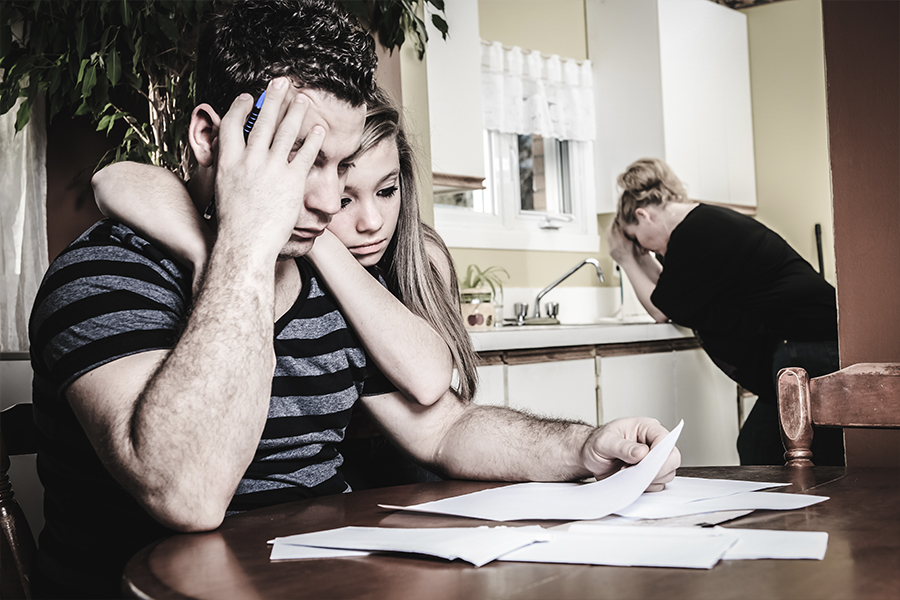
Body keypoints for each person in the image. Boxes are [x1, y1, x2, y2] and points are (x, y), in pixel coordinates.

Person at [28, 2, 679, 598]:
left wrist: (585, 448)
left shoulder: (319, 279)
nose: (325, 200)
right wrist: (243, 245)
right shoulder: (107, 275)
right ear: (208, 137)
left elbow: (445, 426)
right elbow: (188, 495)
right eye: (298, 158)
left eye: (338, 165)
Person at [93, 86, 479, 489]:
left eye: (386, 191)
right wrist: (214, 250)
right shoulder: (284, 257)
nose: (371, 222)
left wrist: (319, 242)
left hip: (404, 467)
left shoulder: (418, 255)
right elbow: (111, 178)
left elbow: (431, 384)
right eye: (346, 200)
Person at [608, 157, 843, 467]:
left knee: (764, 448)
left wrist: (625, 258)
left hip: (810, 345)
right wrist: (634, 254)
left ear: (643, 215)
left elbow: (660, 309)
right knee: (779, 447)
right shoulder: (701, 226)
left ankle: (805, 513)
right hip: (816, 340)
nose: (643, 249)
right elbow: (668, 294)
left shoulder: (694, 234)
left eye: (637, 238)